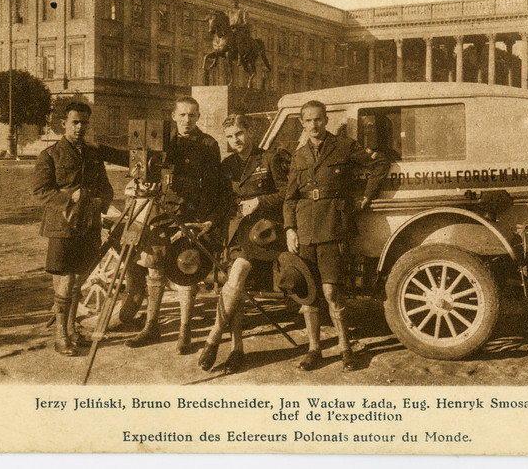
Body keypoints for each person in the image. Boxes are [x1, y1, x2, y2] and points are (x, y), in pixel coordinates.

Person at [283, 100, 390, 371]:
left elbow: (379, 164)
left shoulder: (343, 146)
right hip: (305, 230)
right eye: (308, 120)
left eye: (318, 119)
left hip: (333, 227)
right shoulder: (298, 156)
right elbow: (289, 198)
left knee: (331, 292)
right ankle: (314, 349)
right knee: (309, 294)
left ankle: (345, 348)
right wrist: (289, 229)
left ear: (326, 120)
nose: (314, 125)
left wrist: (367, 195)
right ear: (302, 123)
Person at [116, 96, 222, 353]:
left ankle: (185, 330)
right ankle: (151, 325)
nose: (187, 120)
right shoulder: (162, 140)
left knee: (187, 269)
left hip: (190, 214)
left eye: (193, 115)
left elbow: (212, 186)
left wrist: (203, 220)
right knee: (154, 266)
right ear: (174, 115)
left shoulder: (208, 144)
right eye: (183, 115)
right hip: (160, 210)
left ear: (198, 117)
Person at [198, 114, 289, 373]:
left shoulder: (268, 158)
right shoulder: (227, 165)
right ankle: (237, 349)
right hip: (237, 231)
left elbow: (286, 193)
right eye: (229, 137)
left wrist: (260, 201)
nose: (235, 140)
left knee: (235, 277)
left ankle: (213, 338)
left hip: (264, 232)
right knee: (233, 287)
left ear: (249, 132)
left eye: (238, 134)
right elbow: (222, 201)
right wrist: (210, 223)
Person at [32, 102, 114, 356]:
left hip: (87, 225)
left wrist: (99, 201)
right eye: (75, 122)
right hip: (62, 228)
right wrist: (70, 198)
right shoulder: (50, 155)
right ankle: (60, 337)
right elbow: (40, 192)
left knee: (79, 281)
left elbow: (106, 188)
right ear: (63, 124)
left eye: (84, 123)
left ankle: (72, 330)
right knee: (65, 283)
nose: (80, 127)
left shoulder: (92, 154)